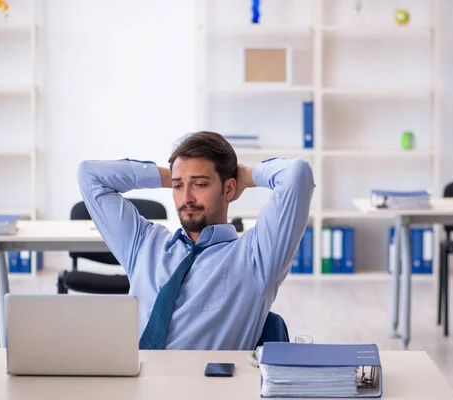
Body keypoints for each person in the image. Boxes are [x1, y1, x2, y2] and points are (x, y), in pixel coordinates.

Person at [77, 131, 315, 350]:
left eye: (200, 184)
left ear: (229, 189)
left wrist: (245, 176)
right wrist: (171, 175)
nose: (186, 198)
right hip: (132, 383)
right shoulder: (144, 244)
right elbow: (90, 175)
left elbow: (297, 175)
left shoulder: (256, 256)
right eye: (178, 187)